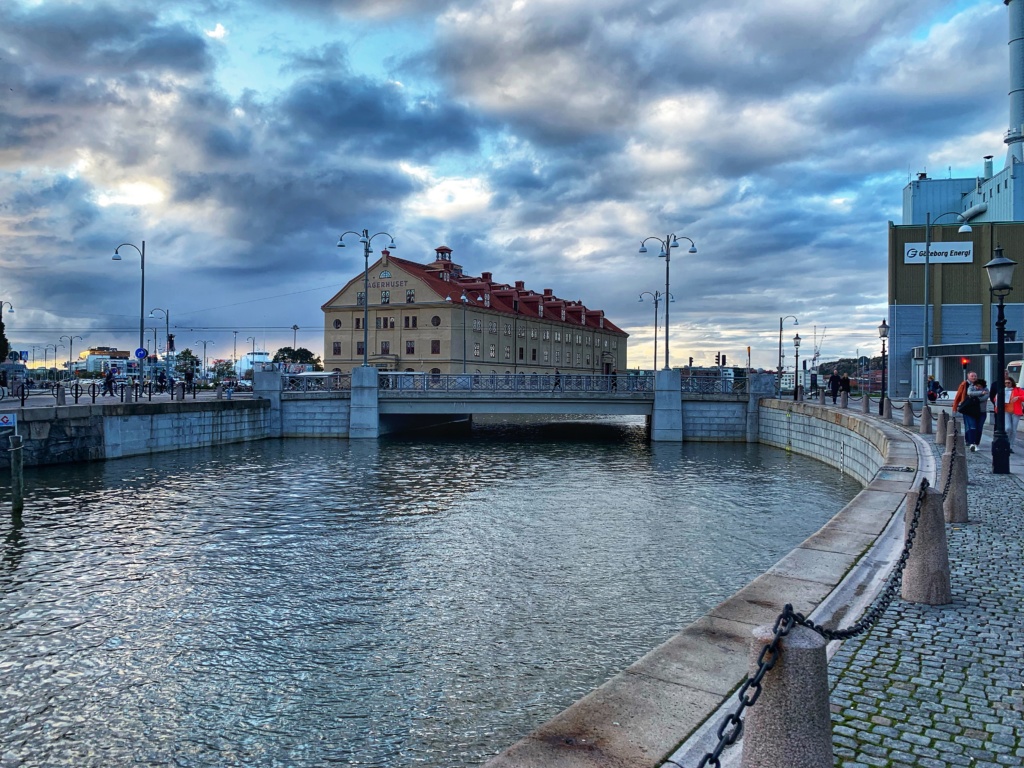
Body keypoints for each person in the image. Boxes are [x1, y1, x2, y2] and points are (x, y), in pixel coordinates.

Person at [956, 373, 989, 451]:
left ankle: (976, 443)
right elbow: (969, 393)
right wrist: (980, 393)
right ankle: (972, 443)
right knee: (972, 427)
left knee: (979, 428)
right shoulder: (971, 387)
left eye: (979, 387)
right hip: (970, 411)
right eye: (976, 386)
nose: (977, 387)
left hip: (981, 412)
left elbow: (984, 398)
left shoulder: (986, 390)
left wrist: (974, 398)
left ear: (983, 386)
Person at [999, 375, 1024, 453]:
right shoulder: (1003, 390)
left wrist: (1018, 397)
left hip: (1016, 411)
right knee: (1007, 428)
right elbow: (996, 399)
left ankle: (1011, 445)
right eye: (1005, 383)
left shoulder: (1017, 389)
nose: (1007, 384)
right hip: (1007, 411)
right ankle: (1006, 443)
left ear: (1012, 382)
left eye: (1008, 383)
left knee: (1013, 429)